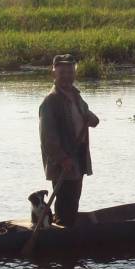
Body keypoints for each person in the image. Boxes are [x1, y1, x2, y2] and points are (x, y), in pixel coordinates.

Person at [39, 54, 100, 227]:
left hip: (78, 155)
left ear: (74, 74)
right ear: (54, 74)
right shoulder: (50, 102)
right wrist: (63, 159)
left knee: (73, 198)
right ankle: (63, 235)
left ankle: (68, 230)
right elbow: (47, 138)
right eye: (62, 72)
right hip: (63, 159)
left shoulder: (75, 96)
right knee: (66, 200)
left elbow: (89, 116)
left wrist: (92, 119)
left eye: (70, 72)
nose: (66, 75)